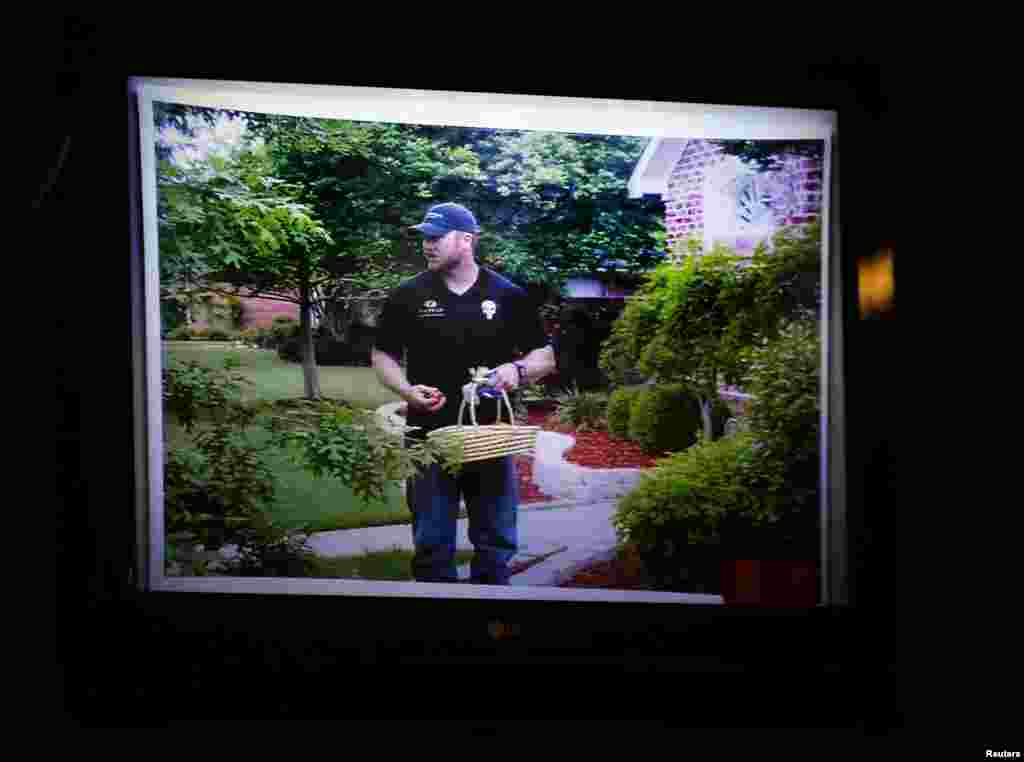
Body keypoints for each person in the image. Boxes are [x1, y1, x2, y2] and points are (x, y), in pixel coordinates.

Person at [371, 202, 556, 585]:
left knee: (495, 542)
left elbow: (545, 356)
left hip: (491, 438)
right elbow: (382, 355)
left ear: (466, 240)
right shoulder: (409, 295)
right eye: (425, 238)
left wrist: (517, 370)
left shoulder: (507, 295)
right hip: (427, 439)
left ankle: (492, 617)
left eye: (436, 237)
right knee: (432, 543)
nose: (427, 245)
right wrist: (407, 390)